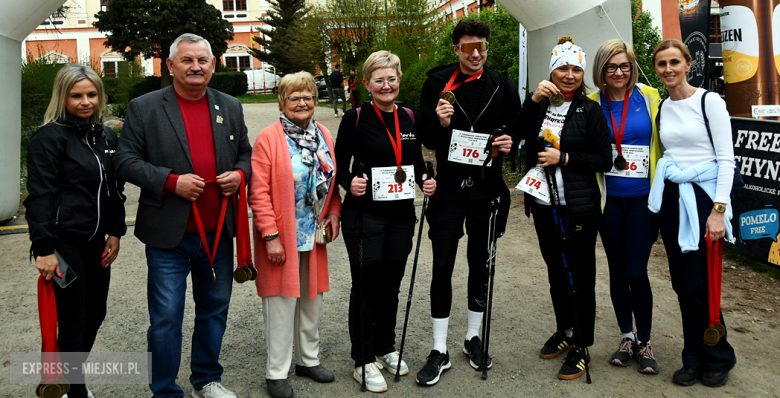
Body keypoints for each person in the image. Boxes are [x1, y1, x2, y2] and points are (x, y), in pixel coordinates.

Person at [114, 33, 252, 398]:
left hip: (217, 236)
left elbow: (246, 154)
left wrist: (240, 174)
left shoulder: (230, 106)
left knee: (214, 311)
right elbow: (124, 161)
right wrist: (170, 181)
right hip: (168, 237)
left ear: (213, 65)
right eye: (187, 60)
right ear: (171, 65)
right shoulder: (144, 107)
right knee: (165, 319)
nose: (195, 67)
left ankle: (206, 380)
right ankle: (164, 391)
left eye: (202, 60)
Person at [416, 18, 518, 386]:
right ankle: (439, 348)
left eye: (482, 47)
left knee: (480, 264)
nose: (476, 54)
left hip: (486, 190)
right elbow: (425, 136)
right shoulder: (437, 84)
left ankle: (472, 338)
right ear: (456, 49)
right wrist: (441, 124)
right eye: (469, 48)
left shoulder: (501, 84)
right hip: (448, 191)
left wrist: (509, 141)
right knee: (442, 265)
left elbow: (516, 127)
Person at [335, 51, 437, 393]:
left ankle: (385, 346)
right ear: (366, 84)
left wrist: (427, 180)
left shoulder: (408, 116)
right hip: (365, 215)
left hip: (401, 216)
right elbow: (339, 164)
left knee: (392, 284)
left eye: (391, 79)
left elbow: (415, 163)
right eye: (379, 80)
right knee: (367, 286)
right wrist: (350, 182)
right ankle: (363, 358)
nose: (386, 85)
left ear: (399, 79)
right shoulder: (355, 118)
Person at [25, 63, 126, 398]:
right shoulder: (48, 138)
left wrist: (115, 231)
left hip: (96, 244)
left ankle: (69, 380)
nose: (85, 102)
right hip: (62, 245)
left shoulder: (106, 136)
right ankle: (74, 389)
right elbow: (40, 196)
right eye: (76, 95)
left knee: (96, 312)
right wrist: (43, 249)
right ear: (62, 97)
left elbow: (114, 189)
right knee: (73, 317)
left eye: (92, 94)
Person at [521, 36, 612, 381]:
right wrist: (533, 100)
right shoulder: (541, 105)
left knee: (581, 276)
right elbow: (518, 133)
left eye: (576, 69)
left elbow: (604, 159)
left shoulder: (590, 110)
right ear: (551, 71)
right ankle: (566, 330)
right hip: (544, 205)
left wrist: (566, 158)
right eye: (562, 68)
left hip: (578, 208)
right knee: (556, 272)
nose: (570, 75)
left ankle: (582, 346)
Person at [648, 39, 737, 387]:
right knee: (682, 285)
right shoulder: (663, 107)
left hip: (704, 199)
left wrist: (718, 212)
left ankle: (719, 356)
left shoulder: (709, 101)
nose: (668, 69)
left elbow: (726, 160)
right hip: (674, 198)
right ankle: (693, 357)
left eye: (674, 62)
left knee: (701, 284)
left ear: (688, 64)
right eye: (661, 64)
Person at [248, 71, 342, 398]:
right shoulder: (269, 138)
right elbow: (258, 193)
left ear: (315, 100)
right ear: (282, 102)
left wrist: (334, 213)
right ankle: (276, 373)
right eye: (294, 97)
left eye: (308, 96)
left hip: (313, 235)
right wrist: (270, 236)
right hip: (282, 236)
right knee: (280, 305)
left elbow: (332, 184)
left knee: (311, 301)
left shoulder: (323, 134)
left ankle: (308, 360)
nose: (302, 102)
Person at [587, 39, 662, 374]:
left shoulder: (649, 97)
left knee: (636, 271)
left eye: (624, 66)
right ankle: (627, 337)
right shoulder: (591, 103)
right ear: (601, 70)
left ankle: (645, 341)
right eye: (611, 66)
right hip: (609, 202)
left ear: (632, 68)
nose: (618, 72)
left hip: (644, 199)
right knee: (617, 270)